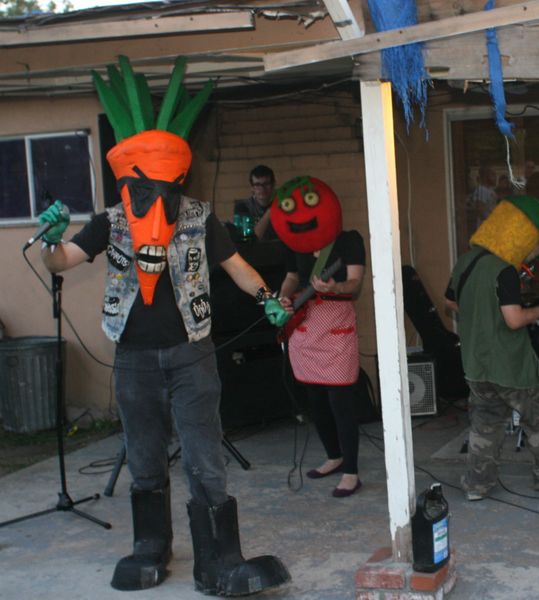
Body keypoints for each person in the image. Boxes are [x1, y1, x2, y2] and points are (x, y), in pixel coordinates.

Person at [35, 56, 292, 596]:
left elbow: (237, 266)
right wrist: (50, 241)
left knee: (205, 458)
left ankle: (218, 560)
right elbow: (61, 264)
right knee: (145, 454)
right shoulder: (111, 221)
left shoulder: (198, 217)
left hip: (191, 353)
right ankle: (150, 547)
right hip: (133, 357)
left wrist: (269, 298)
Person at [444, 195, 539, 501]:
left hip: (476, 364)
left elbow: (450, 301)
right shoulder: (505, 270)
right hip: (512, 366)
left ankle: (477, 485)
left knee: (485, 424)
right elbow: (514, 320)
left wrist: (481, 314)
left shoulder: (465, 261)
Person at [270, 175, 366, 498]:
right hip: (305, 327)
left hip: (336, 323)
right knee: (315, 398)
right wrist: (283, 297)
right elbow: (291, 277)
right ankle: (333, 456)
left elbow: (355, 283)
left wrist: (335, 287)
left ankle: (351, 471)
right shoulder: (292, 242)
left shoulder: (349, 240)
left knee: (341, 400)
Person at [234, 164, 277, 241]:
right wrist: (270, 211)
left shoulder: (282, 204)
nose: (262, 188)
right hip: (254, 248)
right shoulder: (243, 207)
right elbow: (252, 239)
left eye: (266, 184)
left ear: (273, 185)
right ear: (252, 188)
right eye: (257, 185)